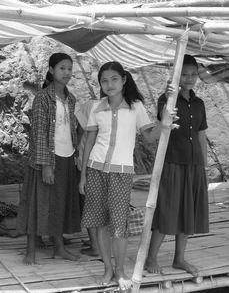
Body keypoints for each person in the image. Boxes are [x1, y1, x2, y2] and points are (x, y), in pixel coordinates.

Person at [79, 61, 178, 290]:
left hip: (122, 174)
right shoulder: (97, 108)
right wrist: (83, 175)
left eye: (114, 79)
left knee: (118, 226)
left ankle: (121, 271)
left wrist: (164, 121)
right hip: (95, 170)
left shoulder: (136, 108)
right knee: (99, 224)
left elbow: (150, 137)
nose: (109, 84)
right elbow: (89, 143)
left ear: (124, 80)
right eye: (104, 80)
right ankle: (108, 269)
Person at [145, 54, 209, 277]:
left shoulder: (200, 104)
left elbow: (201, 137)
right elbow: (163, 121)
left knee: (188, 212)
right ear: (176, 75)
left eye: (193, 74)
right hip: (172, 163)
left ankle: (179, 259)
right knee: (167, 210)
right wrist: (169, 97)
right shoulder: (167, 100)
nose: (190, 78)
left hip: (194, 165)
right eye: (185, 73)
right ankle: (151, 257)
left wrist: (205, 166)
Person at [16, 52, 81, 265]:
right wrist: (46, 165)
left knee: (59, 204)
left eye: (69, 69)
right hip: (46, 159)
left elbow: (73, 130)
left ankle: (59, 248)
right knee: (39, 202)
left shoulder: (71, 99)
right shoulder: (42, 97)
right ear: (52, 70)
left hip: (66, 157)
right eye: (62, 68)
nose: (67, 73)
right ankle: (30, 251)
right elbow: (39, 133)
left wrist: (76, 156)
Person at [75, 100, 99, 257]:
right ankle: (97, 243)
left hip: (88, 162)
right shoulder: (123, 108)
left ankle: (95, 246)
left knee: (88, 206)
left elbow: (80, 130)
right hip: (105, 163)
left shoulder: (91, 105)